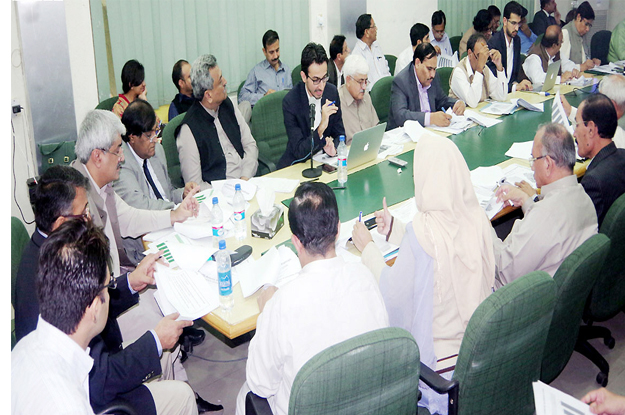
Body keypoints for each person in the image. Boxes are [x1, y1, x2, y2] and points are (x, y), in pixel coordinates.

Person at [13, 176, 203, 415]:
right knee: (181, 395)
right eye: (84, 212)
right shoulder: (63, 401)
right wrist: (154, 340)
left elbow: (87, 308)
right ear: (61, 222)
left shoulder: (51, 257)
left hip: (98, 373)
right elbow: (100, 381)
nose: (90, 218)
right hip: (100, 396)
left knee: (164, 348)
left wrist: (130, 283)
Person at [350, 133, 495, 414]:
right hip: (480, 356)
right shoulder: (475, 217)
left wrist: (368, 249)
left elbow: (393, 298)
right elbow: (441, 251)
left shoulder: (423, 231)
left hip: (440, 377)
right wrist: (396, 230)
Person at [235, 182, 389, 415]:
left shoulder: (281, 304)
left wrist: (265, 315)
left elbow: (260, 384)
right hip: (365, 405)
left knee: (245, 395)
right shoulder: (365, 278)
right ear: (338, 229)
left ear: (295, 241)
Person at [493, 123, 597, 288]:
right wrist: (527, 202)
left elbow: (504, 270)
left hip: (524, 303)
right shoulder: (584, 198)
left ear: (548, 164)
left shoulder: (545, 215)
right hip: (564, 296)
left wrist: (484, 228)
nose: (532, 166)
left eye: (534, 160)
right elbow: (552, 228)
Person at [113, 99, 198, 263]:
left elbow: (165, 193)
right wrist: (175, 210)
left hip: (170, 225)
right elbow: (140, 205)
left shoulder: (157, 150)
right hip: (145, 239)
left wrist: (182, 194)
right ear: (132, 137)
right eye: (149, 135)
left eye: (156, 132)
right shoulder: (121, 163)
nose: (155, 139)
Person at [176, 54, 259, 187]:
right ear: (208, 95)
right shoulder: (188, 130)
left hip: (247, 181)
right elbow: (195, 185)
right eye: (220, 81)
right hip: (219, 198)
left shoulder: (227, 104)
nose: (225, 81)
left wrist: (245, 178)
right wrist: (228, 193)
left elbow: (250, 145)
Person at [277, 43, 345, 169]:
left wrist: (333, 149)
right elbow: (299, 151)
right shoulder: (291, 102)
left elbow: (340, 134)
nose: (321, 86)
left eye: (324, 78)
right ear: (304, 77)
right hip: (298, 166)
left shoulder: (332, 92)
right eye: (315, 80)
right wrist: (321, 129)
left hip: (325, 164)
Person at [388, 42, 465, 130]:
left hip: (430, 130)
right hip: (405, 134)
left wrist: (457, 103)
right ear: (417, 63)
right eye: (429, 69)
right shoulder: (401, 81)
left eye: (434, 69)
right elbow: (400, 116)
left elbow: (442, 100)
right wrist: (431, 118)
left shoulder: (433, 77)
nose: (432, 74)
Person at [574, 93, 625, 226]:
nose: (574, 133)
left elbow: (575, 229)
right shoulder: (623, 156)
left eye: (577, 125)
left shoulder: (593, 182)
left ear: (591, 130)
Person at [560, 75, 625, 149]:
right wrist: (570, 111)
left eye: (600, 100)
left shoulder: (615, 136)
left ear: (612, 105)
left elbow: (589, 131)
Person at [449, 33, 507, 108]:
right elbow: (472, 102)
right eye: (480, 56)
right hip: (463, 117)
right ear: (470, 53)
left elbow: (501, 97)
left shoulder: (485, 69)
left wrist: (499, 67)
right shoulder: (459, 72)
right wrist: (479, 70)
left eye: (485, 55)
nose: (483, 60)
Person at [238, 30, 293, 109]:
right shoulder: (256, 71)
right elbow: (242, 97)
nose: (275, 56)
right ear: (264, 51)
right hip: (267, 116)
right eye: (271, 52)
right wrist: (263, 97)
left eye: (277, 50)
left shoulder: (286, 70)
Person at [487, 1, 532, 92]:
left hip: (512, 92)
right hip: (499, 94)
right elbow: (493, 79)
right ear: (505, 21)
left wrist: (524, 80)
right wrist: (514, 87)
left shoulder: (516, 40)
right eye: (513, 23)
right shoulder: (494, 43)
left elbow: (517, 67)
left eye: (518, 24)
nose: (517, 28)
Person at [338, 54, 379, 144]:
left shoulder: (366, 96)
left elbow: (376, 128)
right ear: (348, 80)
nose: (364, 86)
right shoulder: (338, 101)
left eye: (366, 81)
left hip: (370, 148)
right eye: (360, 82)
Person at [351, 14, 391, 90]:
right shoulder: (357, 54)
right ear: (367, 32)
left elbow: (386, 70)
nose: (376, 29)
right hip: (372, 94)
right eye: (374, 26)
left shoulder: (376, 46)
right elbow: (363, 85)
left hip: (387, 90)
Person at [561, 1, 601, 72]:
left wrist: (592, 62)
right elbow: (562, 66)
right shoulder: (565, 32)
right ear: (579, 17)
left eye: (590, 26)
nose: (588, 29)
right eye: (586, 24)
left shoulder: (582, 33)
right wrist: (582, 66)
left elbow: (584, 57)